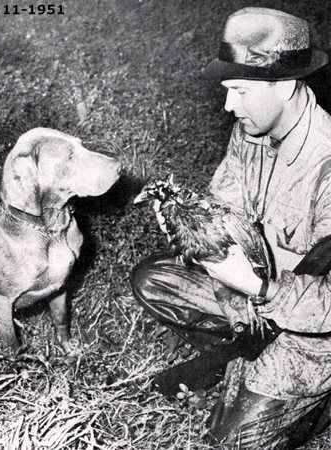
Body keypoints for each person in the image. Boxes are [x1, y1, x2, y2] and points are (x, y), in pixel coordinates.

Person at [131, 7, 331, 449]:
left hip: (317, 327)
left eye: (238, 90)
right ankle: (246, 354)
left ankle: (309, 399)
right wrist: (197, 233)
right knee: (155, 281)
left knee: (229, 442)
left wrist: (262, 291)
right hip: (251, 297)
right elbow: (224, 205)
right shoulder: (251, 129)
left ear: (283, 85)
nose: (228, 105)